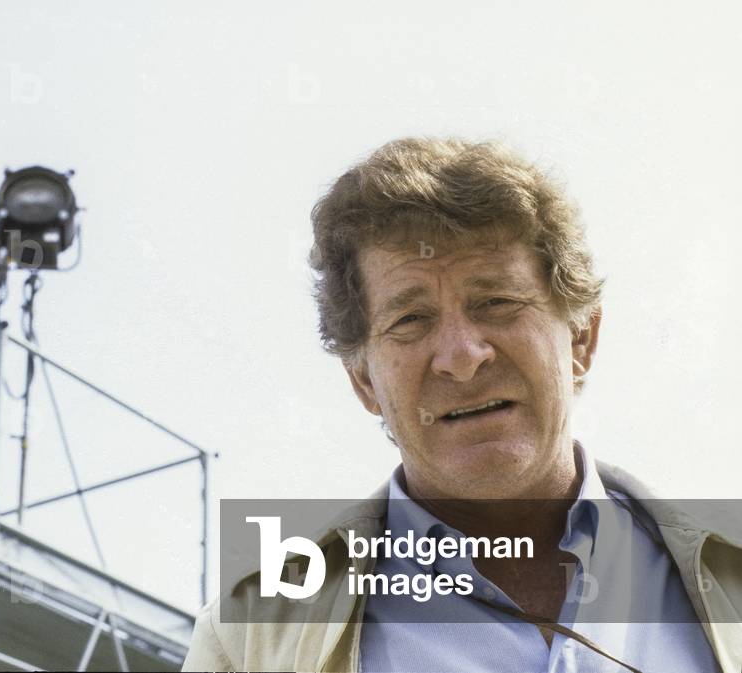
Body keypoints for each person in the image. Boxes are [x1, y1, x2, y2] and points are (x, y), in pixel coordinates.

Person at [182, 138, 742, 672]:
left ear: (580, 339)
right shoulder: (248, 637)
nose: (461, 356)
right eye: (410, 319)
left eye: (496, 301)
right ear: (364, 384)